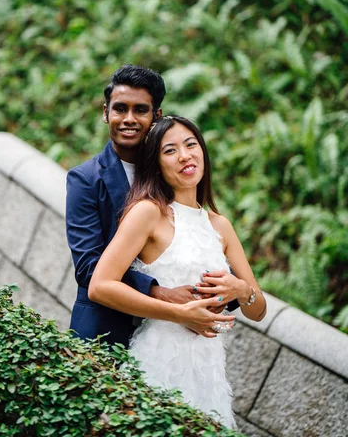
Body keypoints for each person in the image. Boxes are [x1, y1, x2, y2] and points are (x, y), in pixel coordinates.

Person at [89, 116, 267, 428]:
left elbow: (258, 311)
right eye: (170, 151)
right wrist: (179, 314)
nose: (184, 155)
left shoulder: (219, 225)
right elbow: (100, 286)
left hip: (209, 370)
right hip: (160, 361)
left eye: (191, 145)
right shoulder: (148, 213)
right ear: (156, 166)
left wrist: (240, 290)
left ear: (203, 152)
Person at [66, 65, 237, 347]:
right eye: (120, 109)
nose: (128, 119)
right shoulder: (85, 179)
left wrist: (217, 293)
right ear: (106, 112)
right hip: (105, 332)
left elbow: (191, 237)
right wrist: (162, 294)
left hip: (173, 339)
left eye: (141, 110)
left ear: (156, 115)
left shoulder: (174, 171)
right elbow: (88, 268)